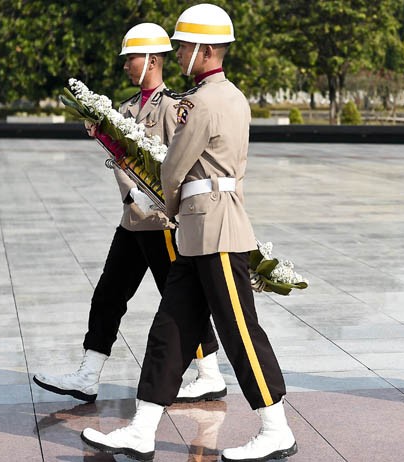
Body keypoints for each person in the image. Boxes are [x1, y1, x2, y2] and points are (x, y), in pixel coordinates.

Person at [81, 5, 298, 462]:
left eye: (182, 46)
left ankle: (276, 428)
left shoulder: (199, 103)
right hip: (203, 233)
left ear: (205, 49)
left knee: (239, 332)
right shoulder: (233, 97)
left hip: (214, 232)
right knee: (171, 330)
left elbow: (173, 167)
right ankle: (142, 429)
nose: (178, 53)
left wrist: (163, 201)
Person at [32, 23, 227, 405]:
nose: (125, 65)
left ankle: (209, 374)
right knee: (108, 295)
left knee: (181, 300)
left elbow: (181, 162)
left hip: (162, 224)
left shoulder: (174, 107)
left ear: (152, 60)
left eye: (131, 58)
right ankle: (88, 374)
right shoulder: (123, 109)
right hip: (132, 221)